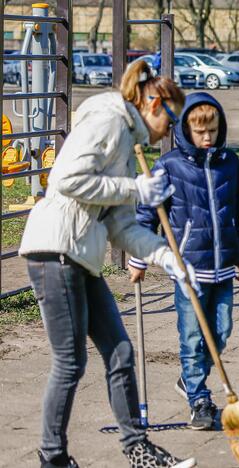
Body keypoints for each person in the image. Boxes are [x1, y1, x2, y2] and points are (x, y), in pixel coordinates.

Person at [19, 60, 198, 468]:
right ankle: (53, 458)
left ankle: (138, 450)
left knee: (119, 351)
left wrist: (164, 256)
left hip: (81, 255)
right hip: (55, 251)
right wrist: (134, 188)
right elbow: (66, 179)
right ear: (154, 105)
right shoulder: (109, 122)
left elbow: (119, 227)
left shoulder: (127, 139)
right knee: (70, 362)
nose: (168, 133)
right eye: (170, 123)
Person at [128, 92, 239, 431]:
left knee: (221, 331)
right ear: (185, 131)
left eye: (212, 131)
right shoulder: (169, 167)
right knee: (193, 337)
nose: (207, 138)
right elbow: (146, 215)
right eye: (200, 133)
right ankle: (198, 398)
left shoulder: (231, 163)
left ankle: (188, 378)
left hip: (224, 264)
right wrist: (138, 258)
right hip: (189, 270)